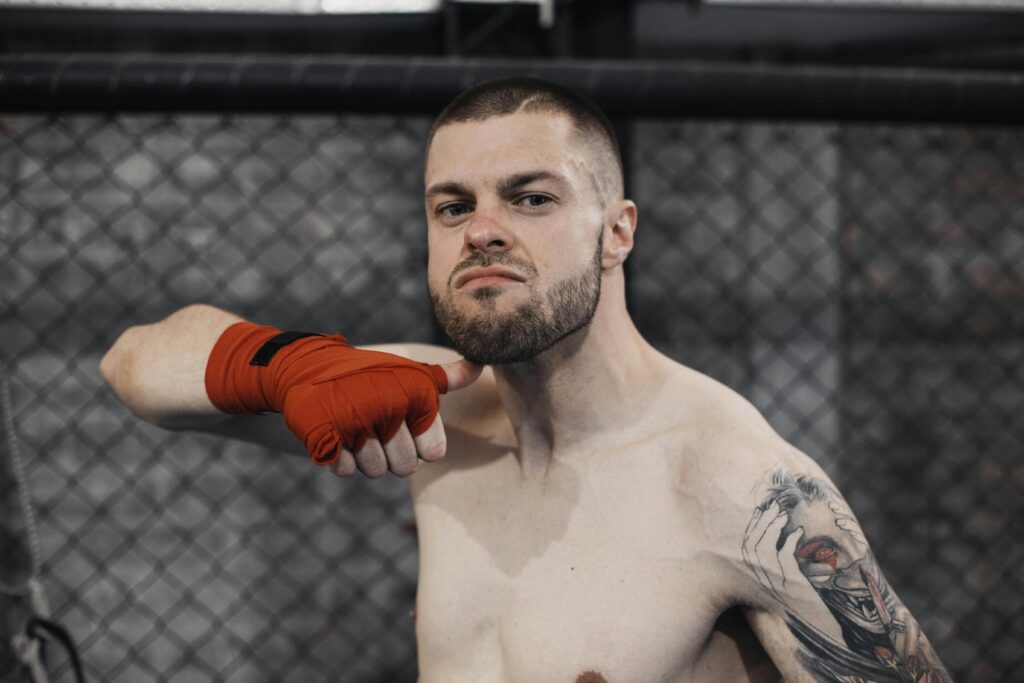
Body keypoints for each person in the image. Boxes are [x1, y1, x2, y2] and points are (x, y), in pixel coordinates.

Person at [100, 77, 952, 682]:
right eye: (452, 206)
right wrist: (292, 366)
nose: (482, 230)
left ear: (617, 232)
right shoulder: (438, 406)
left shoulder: (738, 485)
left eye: (531, 198)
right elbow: (136, 365)